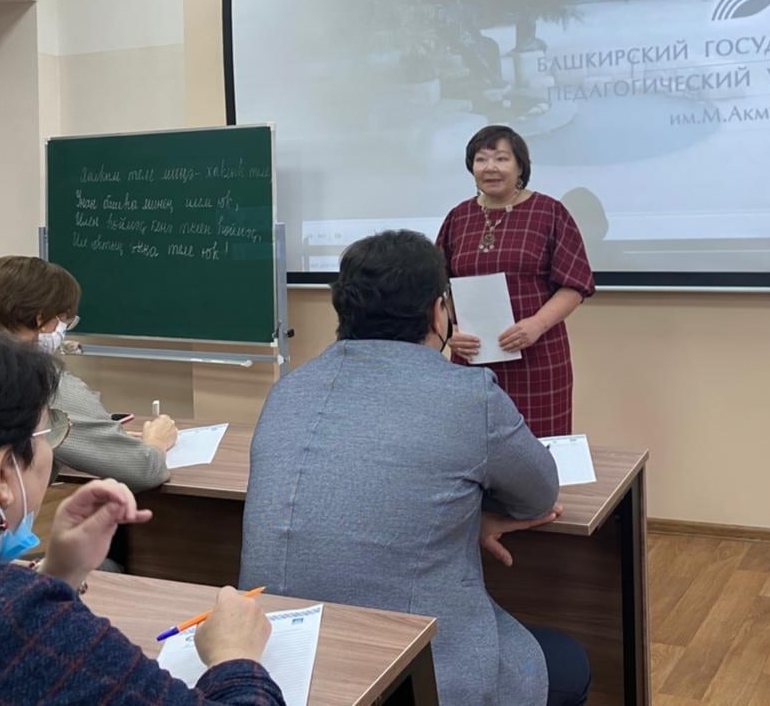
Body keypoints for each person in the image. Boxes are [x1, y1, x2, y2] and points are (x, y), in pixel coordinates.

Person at [240, 230, 591, 706]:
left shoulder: (289, 390)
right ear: (437, 312)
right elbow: (540, 494)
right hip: (405, 668)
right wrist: (472, 519)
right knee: (567, 661)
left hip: (273, 659)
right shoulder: (468, 397)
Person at [0, 318, 282, 704]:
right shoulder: (17, 621)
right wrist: (235, 655)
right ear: (3, 475)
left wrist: (60, 574)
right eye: (47, 433)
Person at [0, 256, 177, 491]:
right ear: (40, 318)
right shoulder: (40, 382)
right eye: (63, 320)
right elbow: (144, 470)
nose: (63, 330)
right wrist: (157, 442)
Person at [437, 125, 595, 436]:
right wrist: (450, 332)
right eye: (481, 159)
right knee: (471, 444)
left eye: (501, 158)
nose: (490, 168)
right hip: (472, 357)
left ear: (520, 166)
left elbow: (575, 284)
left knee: (539, 447)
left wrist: (535, 325)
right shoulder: (458, 216)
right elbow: (437, 286)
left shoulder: (549, 212)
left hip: (537, 357)